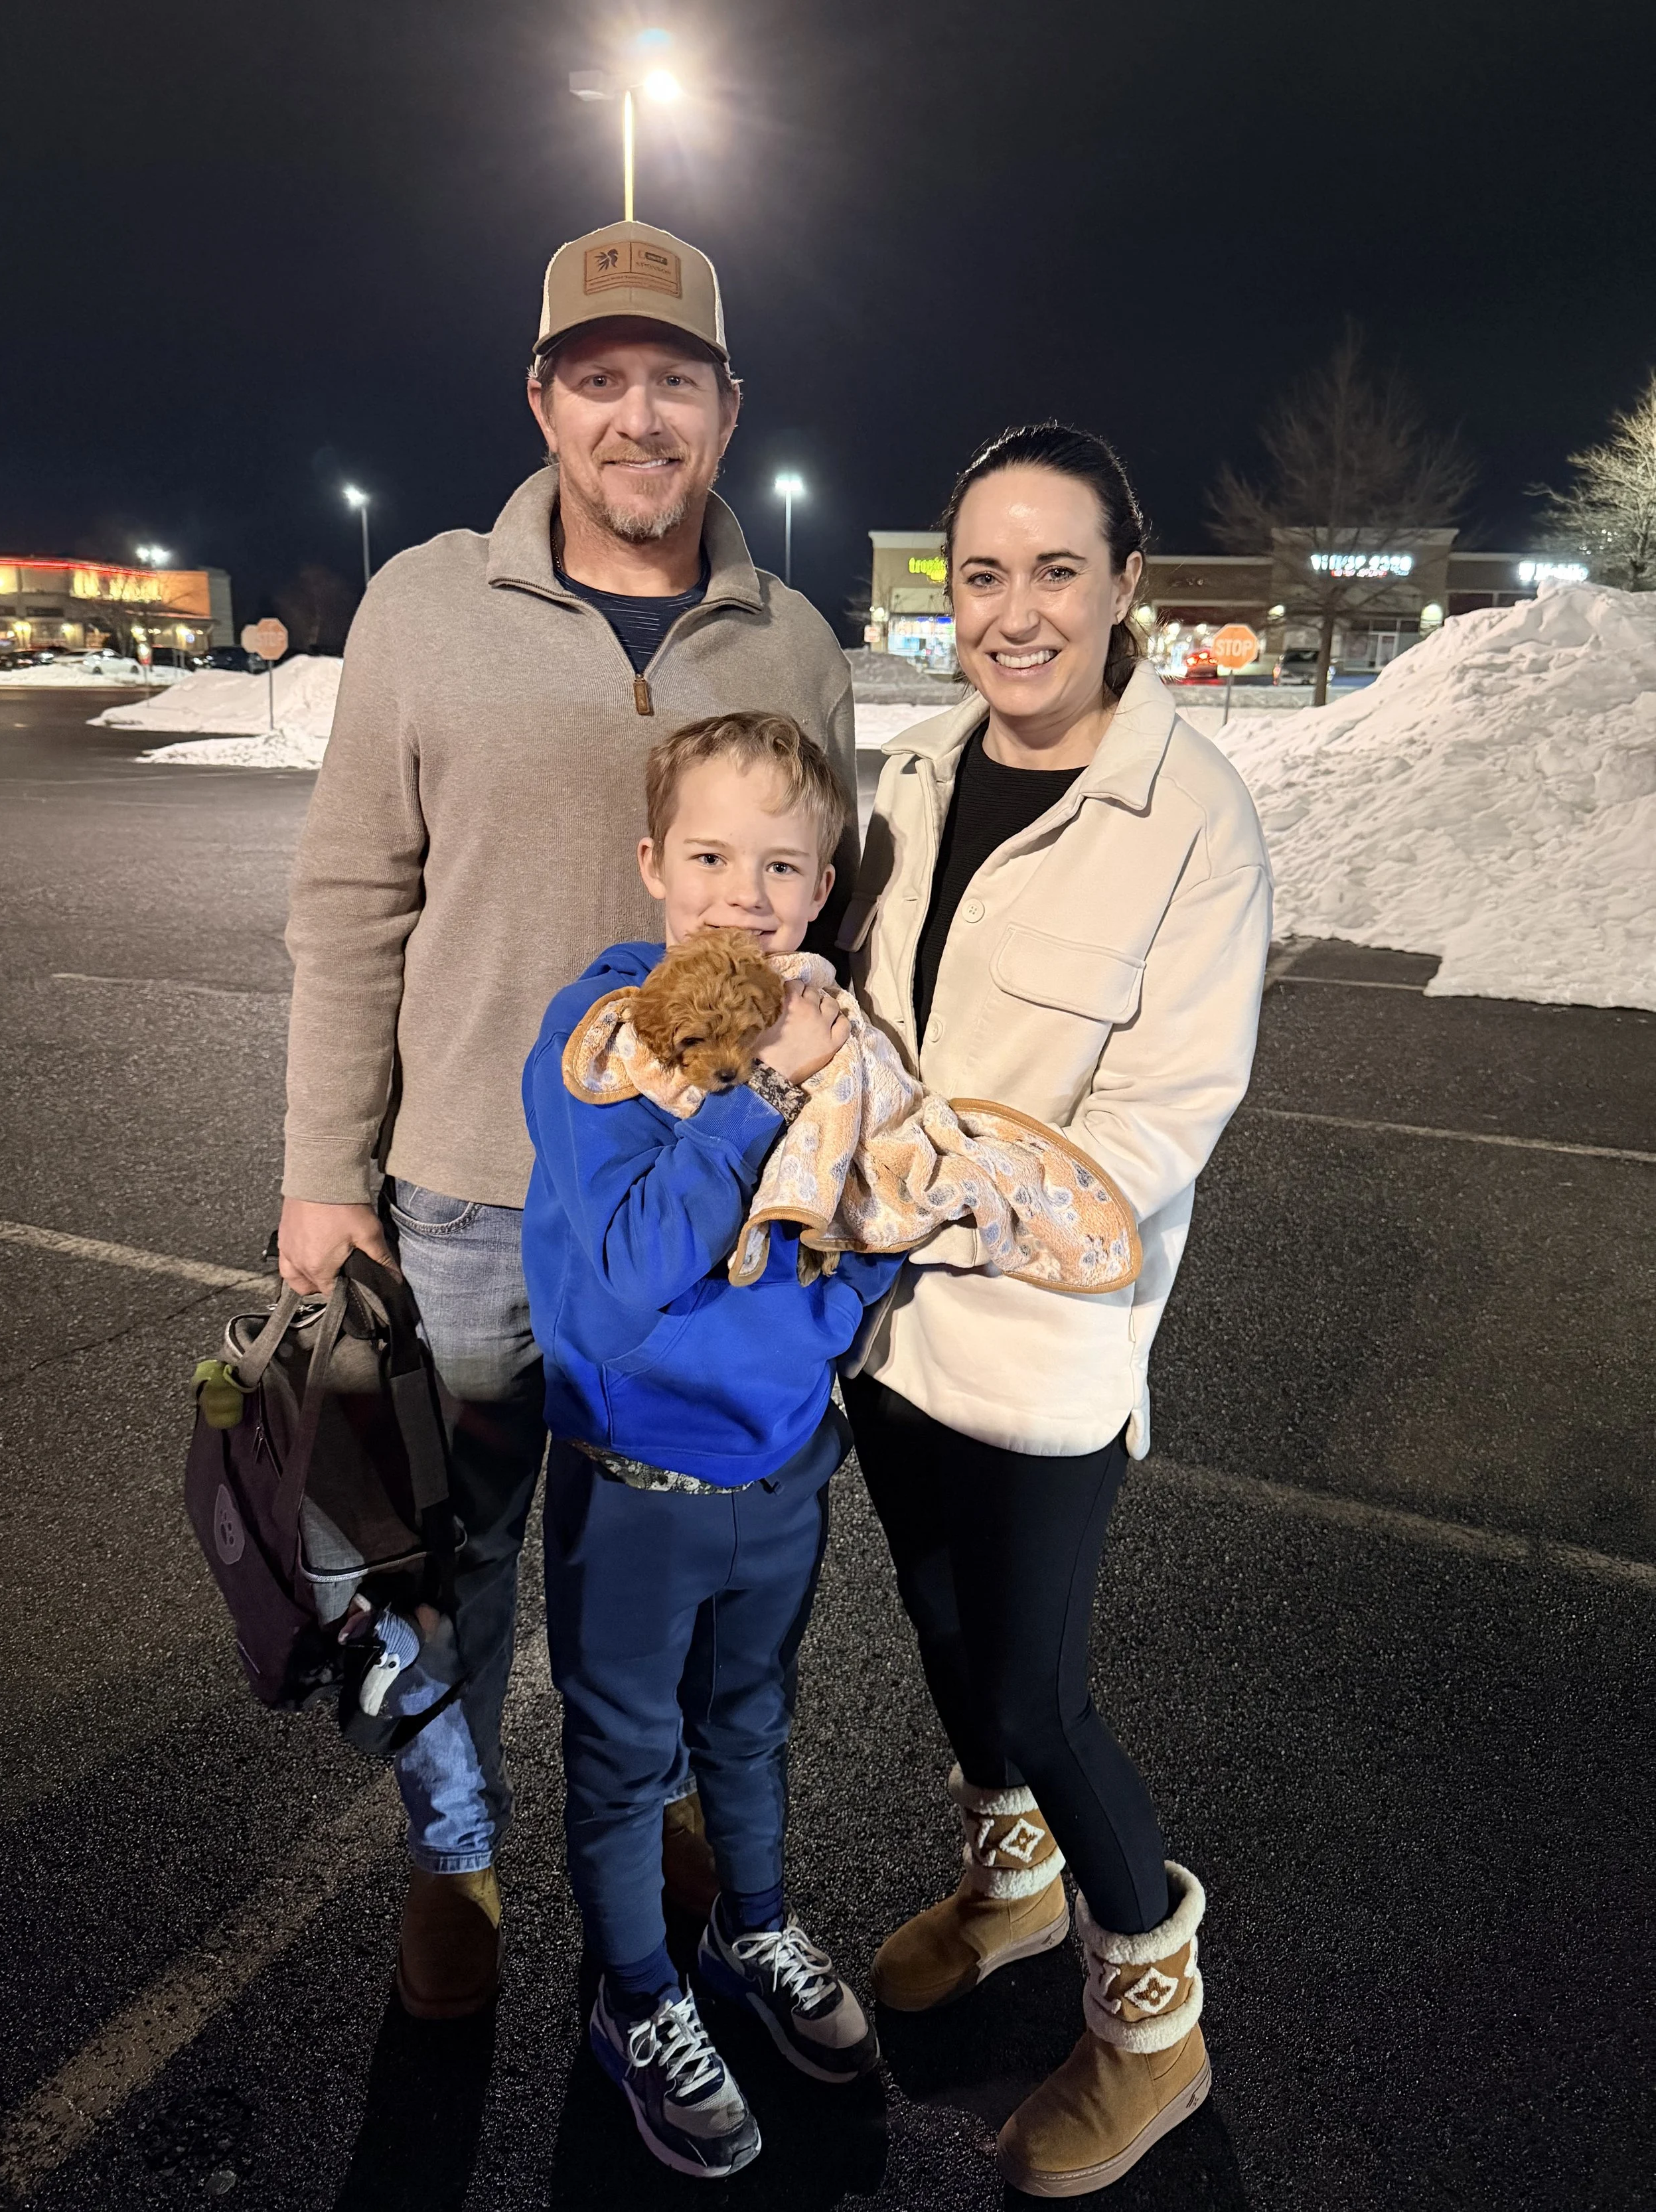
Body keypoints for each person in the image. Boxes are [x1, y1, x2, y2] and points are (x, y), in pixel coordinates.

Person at [276, 219, 858, 2020]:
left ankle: (678, 1801)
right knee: (452, 1565)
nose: (636, 414)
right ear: (542, 399)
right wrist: (319, 1173)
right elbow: (352, 898)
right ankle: (451, 1850)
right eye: (597, 378)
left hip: (692, 1209)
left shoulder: (798, 635)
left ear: (725, 406)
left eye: (671, 378)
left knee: (681, 1537)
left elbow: (830, 905)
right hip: (462, 1194)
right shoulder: (425, 609)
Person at [842, 422, 1272, 2196]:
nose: (1011, 611)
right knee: (941, 1639)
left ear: (1124, 591)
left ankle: (1149, 2028)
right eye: (981, 573)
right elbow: (848, 1022)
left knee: (1032, 1693)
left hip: (1038, 1350)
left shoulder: (1192, 820)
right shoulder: (914, 773)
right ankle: (1008, 1889)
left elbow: (1159, 1120)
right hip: (880, 1326)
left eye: (1053, 571)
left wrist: (927, 1187)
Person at [522, 712, 895, 2179]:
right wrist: (752, 1095)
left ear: (817, 890)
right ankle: (637, 1997)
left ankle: (750, 1923)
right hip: (631, 1489)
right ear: (650, 866)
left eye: (779, 864)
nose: (742, 894)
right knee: (623, 1763)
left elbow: (867, 1218)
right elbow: (624, 1272)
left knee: (749, 1725)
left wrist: (839, 1309)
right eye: (710, 855)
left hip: (782, 1474)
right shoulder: (604, 1036)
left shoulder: (829, 1029)